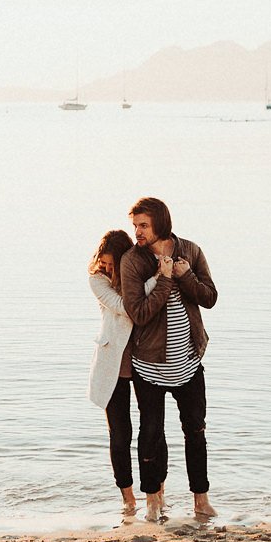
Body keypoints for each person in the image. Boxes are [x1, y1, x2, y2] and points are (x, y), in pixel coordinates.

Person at [118, 195, 218, 521]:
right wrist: (163, 280)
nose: (137, 231)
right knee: (150, 434)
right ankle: (153, 503)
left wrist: (186, 276)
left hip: (189, 362)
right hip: (148, 366)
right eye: (135, 225)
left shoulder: (190, 250)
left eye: (143, 225)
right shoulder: (133, 261)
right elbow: (140, 313)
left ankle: (201, 502)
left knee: (195, 432)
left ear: (160, 223)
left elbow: (210, 298)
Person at [87, 229, 139, 520]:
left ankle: (157, 493)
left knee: (150, 431)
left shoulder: (135, 274)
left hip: (144, 360)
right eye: (103, 262)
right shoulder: (97, 280)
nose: (105, 268)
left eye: (110, 263)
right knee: (120, 433)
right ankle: (129, 499)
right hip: (112, 363)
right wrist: (157, 282)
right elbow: (124, 307)